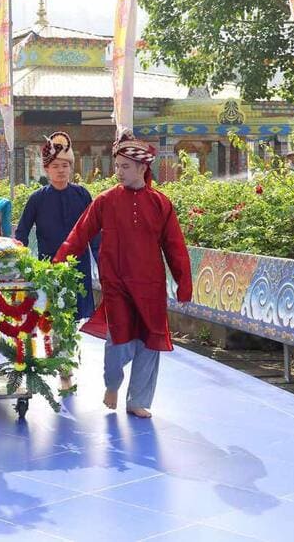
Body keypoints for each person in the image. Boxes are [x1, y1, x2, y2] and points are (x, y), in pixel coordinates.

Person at [53, 129, 192, 418]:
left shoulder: (161, 204)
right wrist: (58, 263)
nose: (119, 172)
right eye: (117, 166)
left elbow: (175, 247)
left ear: (143, 167)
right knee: (118, 341)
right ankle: (112, 383)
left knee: (150, 342)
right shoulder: (105, 201)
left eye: (125, 167)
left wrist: (184, 283)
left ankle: (138, 400)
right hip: (116, 284)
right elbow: (80, 234)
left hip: (151, 285)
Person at [16, 132, 100, 386]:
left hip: (78, 268)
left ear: (71, 168)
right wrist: (20, 260)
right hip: (48, 268)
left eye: (65, 166)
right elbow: (21, 231)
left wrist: (102, 263)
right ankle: (58, 364)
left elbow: (95, 231)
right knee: (51, 317)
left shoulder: (83, 195)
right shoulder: (37, 199)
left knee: (71, 319)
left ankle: (64, 365)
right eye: (55, 166)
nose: (61, 171)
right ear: (46, 169)